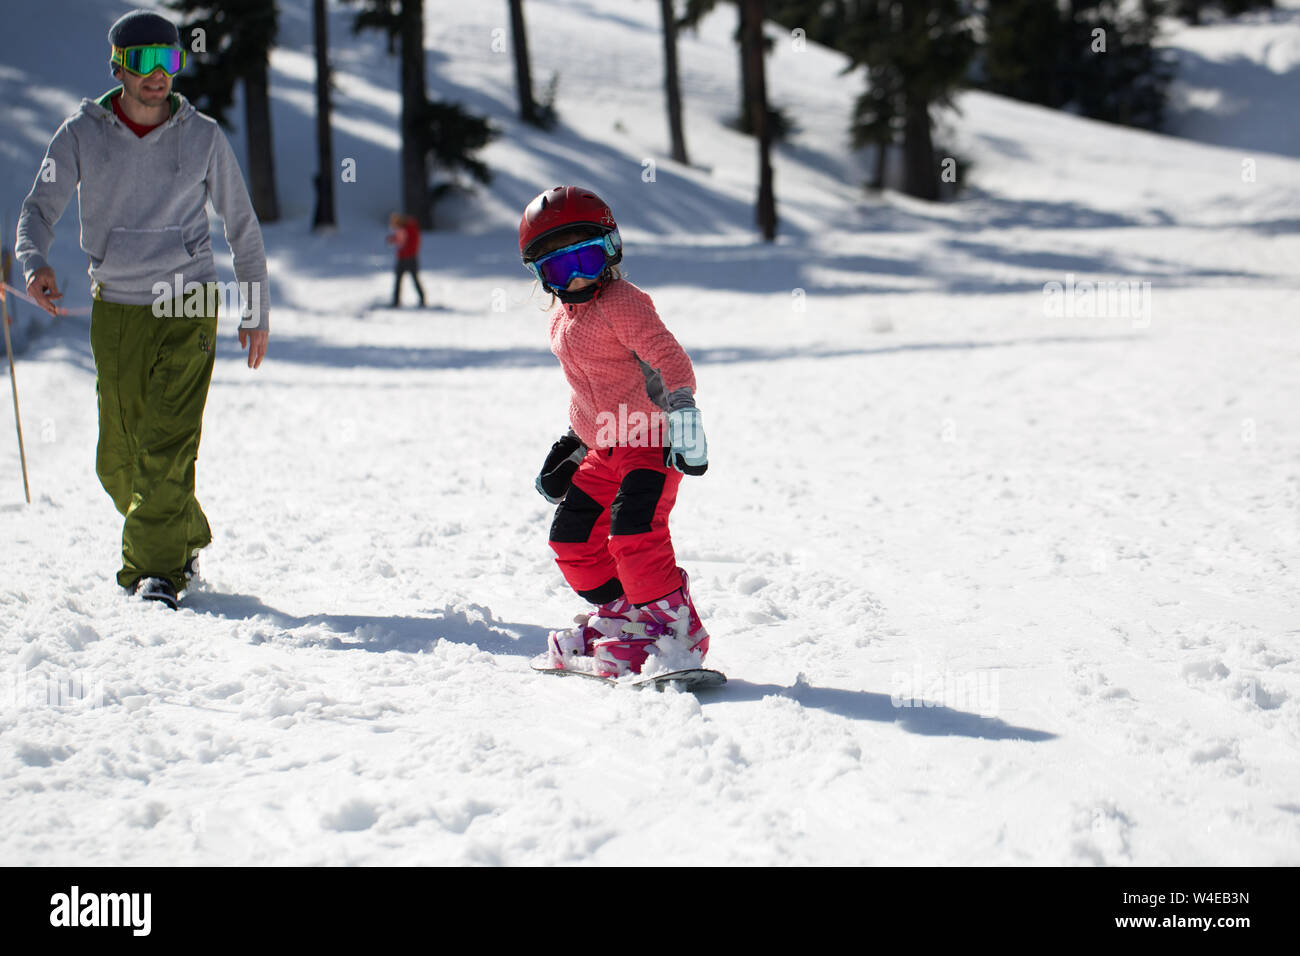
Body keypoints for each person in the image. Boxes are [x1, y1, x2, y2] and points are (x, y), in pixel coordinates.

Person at [16, 9, 269, 609]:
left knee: (166, 445)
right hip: (118, 308)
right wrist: (36, 263)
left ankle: (152, 576)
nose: (158, 75)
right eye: (143, 62)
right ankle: (183, 533)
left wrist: (253, 308)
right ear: (119, 67)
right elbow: (38, 209)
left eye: (169, 60)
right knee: (117, 460)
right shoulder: (81, 133)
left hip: (189, 304)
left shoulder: (203, 135)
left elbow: (243, 228)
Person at [520, 186, 711, 677]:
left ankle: (675, 631)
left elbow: (669, 359)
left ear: (612, 250)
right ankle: (628, 615)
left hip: (650, 439)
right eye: (562, 268)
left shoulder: (623, 303)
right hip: (604, 444)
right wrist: (573, 441)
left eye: (587, 257)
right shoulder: (562, 321)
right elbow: (592, 386)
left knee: (634, 532)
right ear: (543, 277)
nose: (579, 277)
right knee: (573, 541)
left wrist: (684, 412)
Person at [386, 212, 425, 307]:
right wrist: (393, 239)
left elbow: (414, 243)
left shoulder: (411, 228)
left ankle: (422, 299)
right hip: (402, 258)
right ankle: (396, 301)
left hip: (411, 258)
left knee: (415, 279)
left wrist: (406, 252)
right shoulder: (401, 229)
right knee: (398, 280)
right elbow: (400, 240)